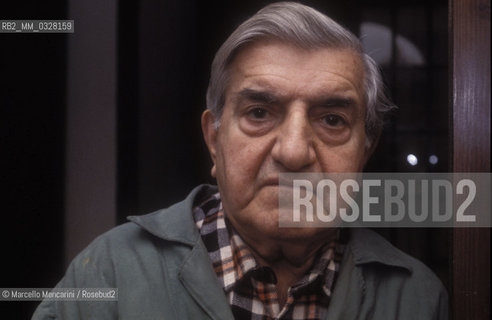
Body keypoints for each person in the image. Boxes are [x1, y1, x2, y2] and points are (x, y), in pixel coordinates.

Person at [33, 2, 448, 319]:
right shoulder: (109, 275)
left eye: (333, 120)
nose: (293, 151)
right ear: (214, 139)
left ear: (365, 151)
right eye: (259, 114)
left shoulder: (413, 297)